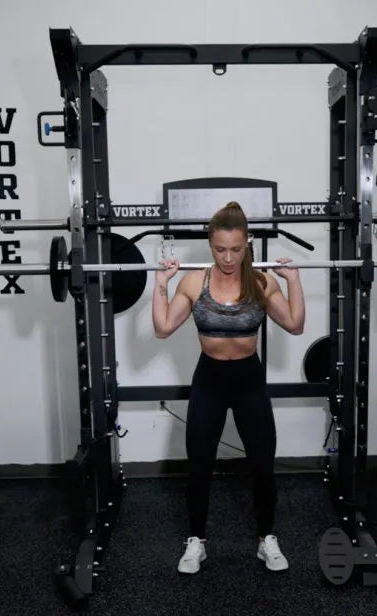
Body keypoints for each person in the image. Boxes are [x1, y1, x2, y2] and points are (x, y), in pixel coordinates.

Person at [152, 201, 305, 575]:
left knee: (262, 465)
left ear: (247, 243)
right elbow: (163, 327)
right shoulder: (194, 282)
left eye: (236, 249)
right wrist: (160, 285)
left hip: (248, 380)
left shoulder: (261, 282)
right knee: (200, 466)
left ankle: (266, 539)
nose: (228, 258)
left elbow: (295, 324)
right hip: (210, 380)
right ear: (210, 244)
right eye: (220, 249)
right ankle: (196, 541)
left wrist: (293, 280)